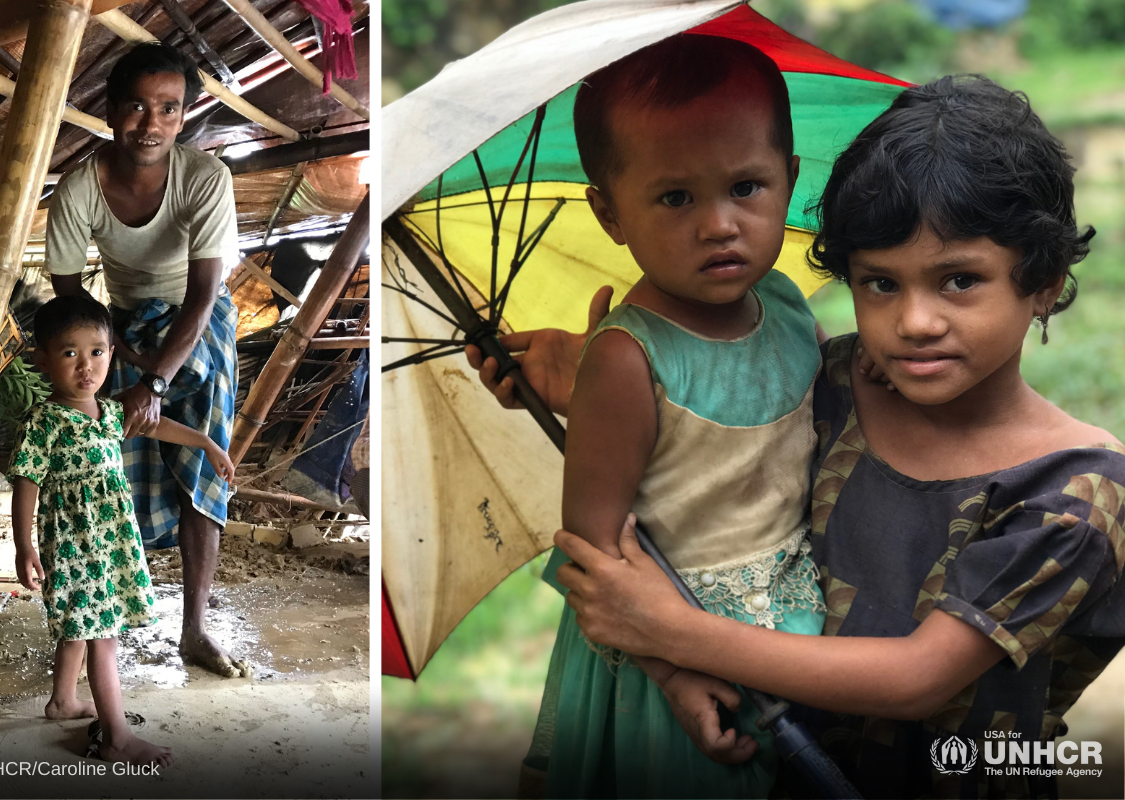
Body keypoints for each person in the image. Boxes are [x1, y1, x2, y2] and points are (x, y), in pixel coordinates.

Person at [479, 76, 1125, 799]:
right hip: (771, 770)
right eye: (880, 284)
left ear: (1043, 281)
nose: (915, 322)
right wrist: (608, 393)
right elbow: (725, 436)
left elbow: (918, 680)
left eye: (959, 281)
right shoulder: (840, 380)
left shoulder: (1073, 494)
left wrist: (669, 634)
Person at [512, 35, 867, 799]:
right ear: (609, 212)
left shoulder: (782, 302)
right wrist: (672, 670)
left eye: (746, 187)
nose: (719, 225)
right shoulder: (626, 360)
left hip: (792, 622)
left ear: (789, 180)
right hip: (667, 648)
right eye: (676, 198)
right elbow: (593, 551)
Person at [44, 43, 246, 677]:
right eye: (136, 106)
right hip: (123, 323)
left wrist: (154, 378)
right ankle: (100, 623)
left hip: (199, 320)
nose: (149, 123)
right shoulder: (79, 189)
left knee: (201, 472)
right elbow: (72, 295)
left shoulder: (205, 178)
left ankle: (194, 628)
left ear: (183, 117)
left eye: (167, 108)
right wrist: (125, 356)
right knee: (108, 468)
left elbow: (205, 294)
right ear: (110, 109)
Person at [9, 296, 234, 765]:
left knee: (78, 628)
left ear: (112, 354)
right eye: (70, 353)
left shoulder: (109, 414)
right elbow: (26, 481)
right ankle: (117, 737)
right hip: (73, 546)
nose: (86, 365)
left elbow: (158, 427)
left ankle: (63, 703)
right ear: (43, 360)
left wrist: (206, 441)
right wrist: (24, 546)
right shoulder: (45, 422)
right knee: (103, 636)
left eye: (97, 351)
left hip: (108, 543)